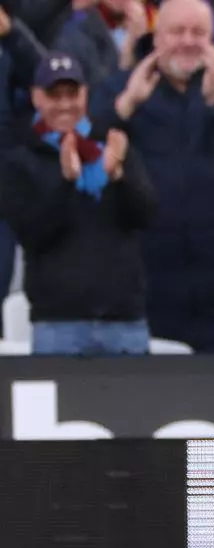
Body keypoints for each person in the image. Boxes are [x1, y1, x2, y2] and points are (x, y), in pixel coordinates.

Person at [88, 0, 214, 352]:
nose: (188, 41)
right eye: (177, 31)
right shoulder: (123, 86)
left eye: (199, 33)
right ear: (157, 37)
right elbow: (86, 149)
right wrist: (126, 105)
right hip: (151, 289)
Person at [0, 51, 156, 356]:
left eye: (72, 94)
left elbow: (146, 215)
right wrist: (66, 182)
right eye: (53, 95)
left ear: (85, 94)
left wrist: (121, 177)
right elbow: (32, 233)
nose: (64, 104)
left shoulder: (112, 145)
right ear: (36, 98)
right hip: (59, 326)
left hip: (124, 322)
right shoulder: (20, 160)